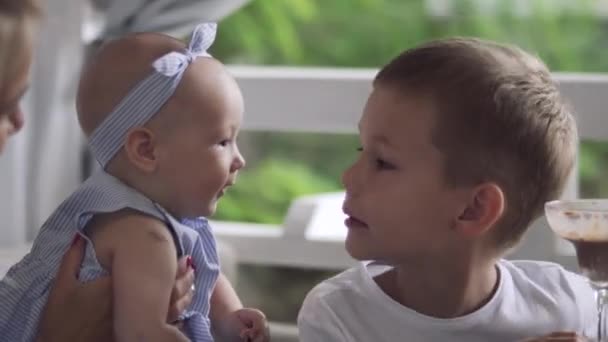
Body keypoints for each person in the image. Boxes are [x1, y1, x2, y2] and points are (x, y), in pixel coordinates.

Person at [297, 37, 594, 341]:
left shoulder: (570, 306)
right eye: (362, 149)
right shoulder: (339, 314)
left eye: (383, 162)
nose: (349, 176)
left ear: (474, 209)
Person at [0, 5, 268, 340]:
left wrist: (230, 318)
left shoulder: (161, 223)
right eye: (223, 141)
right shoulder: (140, 234)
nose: (239, 159)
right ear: (146, 150)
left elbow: (205, 275)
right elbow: (142, 334)